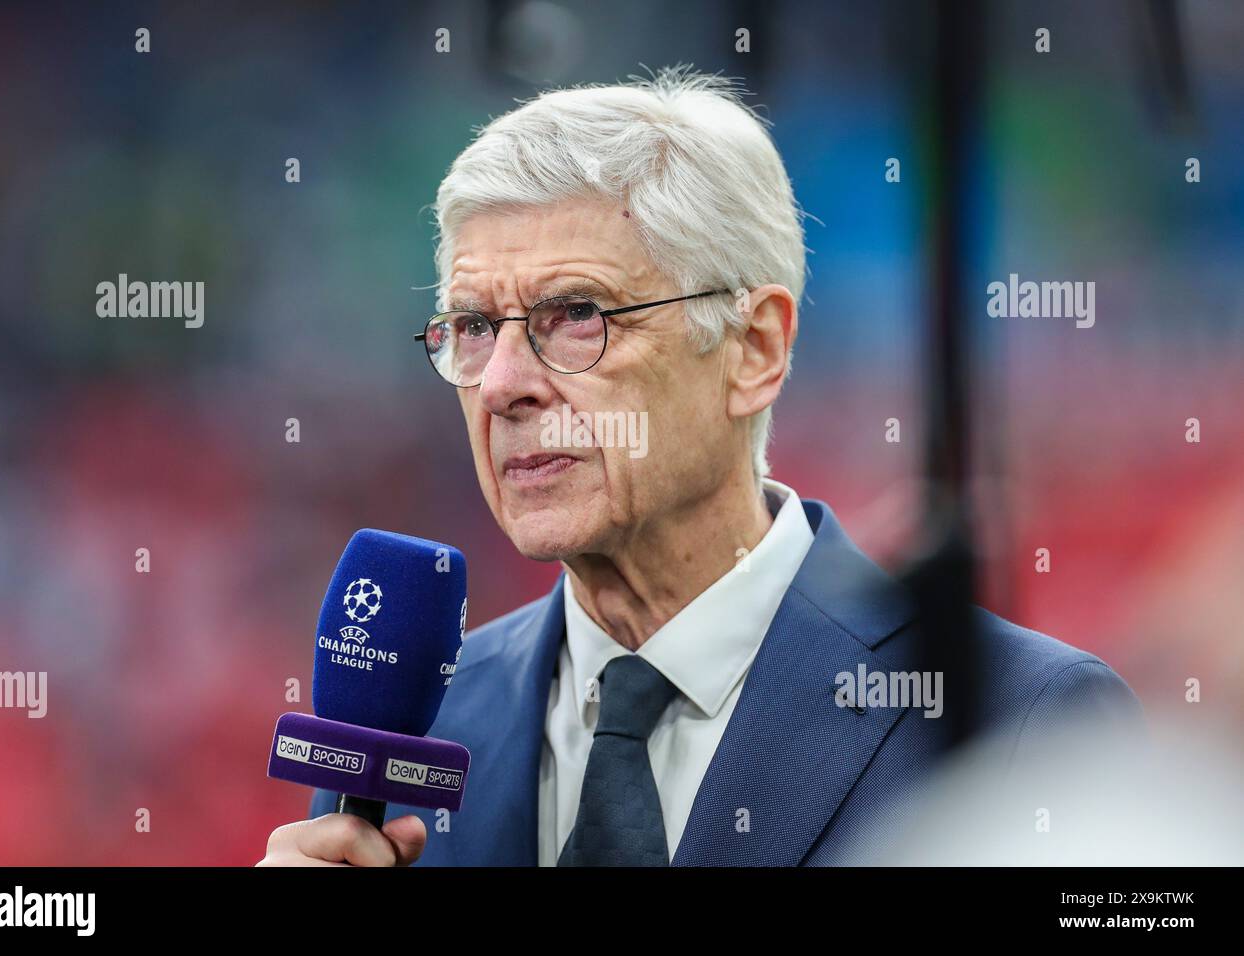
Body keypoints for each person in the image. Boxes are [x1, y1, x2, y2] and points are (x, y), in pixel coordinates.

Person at [259, 67, 1141, 868]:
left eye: (576, 315)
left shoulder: (1021, 726)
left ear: (754, 348)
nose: (500, 386)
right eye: (474, 327)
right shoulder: (416, 726)